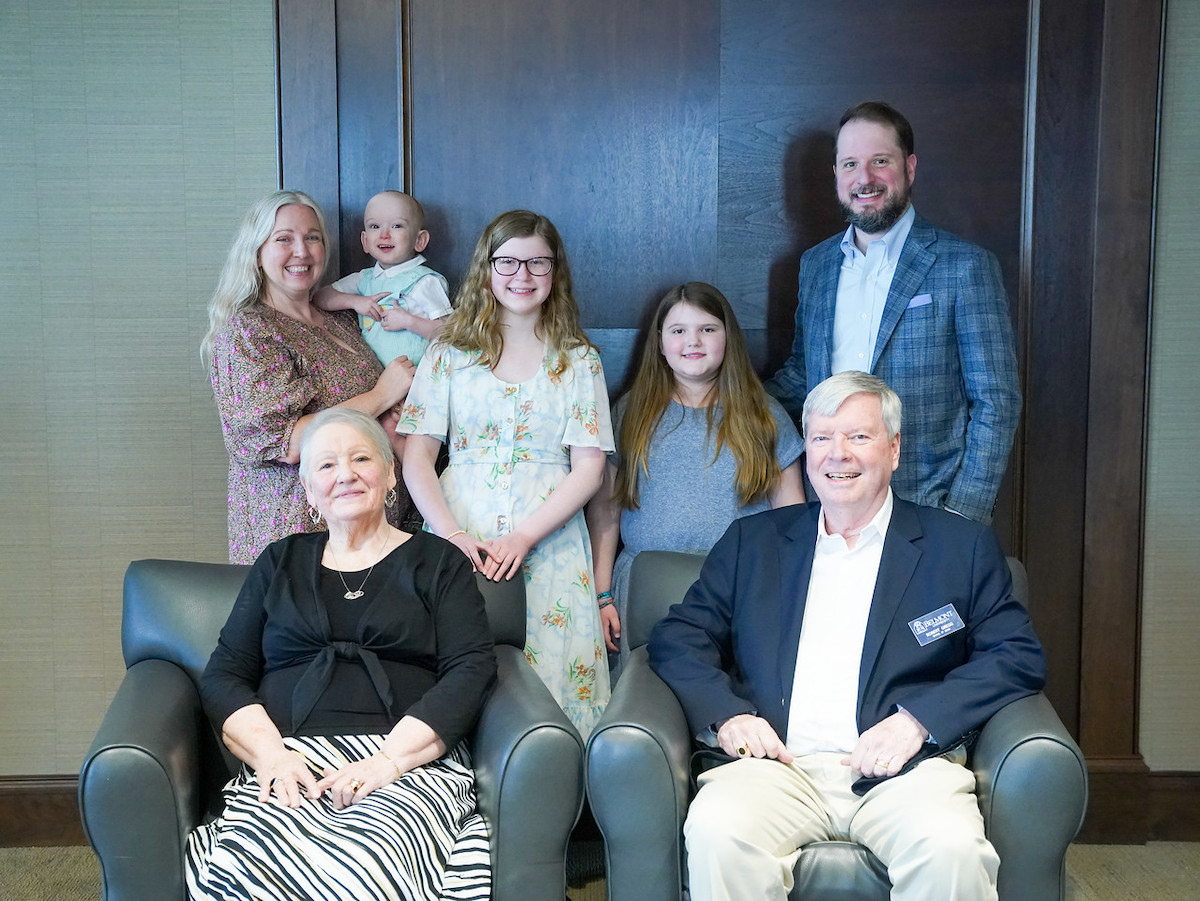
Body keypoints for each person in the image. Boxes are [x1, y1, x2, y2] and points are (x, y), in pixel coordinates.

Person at [649, 372, 1046, 901]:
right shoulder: (755, 542)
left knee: (951, 847)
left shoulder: (960, 547)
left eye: (858, 437)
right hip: (775, 769)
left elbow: (1016, 654)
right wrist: (730, 715)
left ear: (894, 448)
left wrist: (918, 722)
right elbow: (678, 637)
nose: (838, 454)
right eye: (821, 438)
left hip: (906, 773)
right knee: (718, 829)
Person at [186, 407, 497, 900]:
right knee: (251, 865)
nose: (345, 474)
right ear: (309, 491)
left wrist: (387, 763)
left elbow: (472, 667)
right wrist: (272, 758)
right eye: (326, 466)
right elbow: (225, 675)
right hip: (290, 760)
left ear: (390, 474)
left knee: (367, 864)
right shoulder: (279, 561)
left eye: (360, 458)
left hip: (406, 763)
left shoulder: (437, 562)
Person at [398, 210, 614, 737]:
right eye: (508, 261)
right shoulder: (448, 353)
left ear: (554, 271)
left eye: (537, 262)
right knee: (457, 669)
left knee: (558, 681)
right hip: (458, 534)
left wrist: (525, 535)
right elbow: (417, 455)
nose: (523, 275)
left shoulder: (579, 359)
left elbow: (589, 469)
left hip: (551, 539)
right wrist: (449, 532)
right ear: (487, 268)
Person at [765, 101, 1020, 524]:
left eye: (879, 161)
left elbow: (997, 402)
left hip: (926, 509)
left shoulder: (964, 266)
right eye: (850, 164)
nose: (864, 178)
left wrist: (962, 515)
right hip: (828, 503)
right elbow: (801, 374)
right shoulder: (816, 265)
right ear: (836, 175)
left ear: (910, 167)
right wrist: (726, 401)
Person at [586, 282, 805, 682]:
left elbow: (792, 524)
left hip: (740, 594)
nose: (693, 341)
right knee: (644, 702)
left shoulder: (764, 416)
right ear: (660, 342)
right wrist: (600, 596)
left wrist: (787, 602)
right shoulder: (630, 411)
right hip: (642, 593)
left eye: (707, 329)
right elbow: (605, 513)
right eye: (678, 331)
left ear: (728, 338)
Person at [202, 190, 417, 564]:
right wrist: (382, 396)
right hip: (299, 539)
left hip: (370, 533)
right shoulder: (249, 331)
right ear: (257, 251)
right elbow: (284, 442)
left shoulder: (343, 321)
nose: (301, 251)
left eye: (312, 237)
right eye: (284, 239)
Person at [317, 190, 452, 367]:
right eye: (375, 226)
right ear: (365, 241)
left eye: (397, 226)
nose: (384, 235)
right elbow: (320, 297)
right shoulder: (364, 279)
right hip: (375, 379)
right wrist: (356, 301)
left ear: (419, 240)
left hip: (417, 380)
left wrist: (409, 322)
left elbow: (448, 333)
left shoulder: (424, 281)